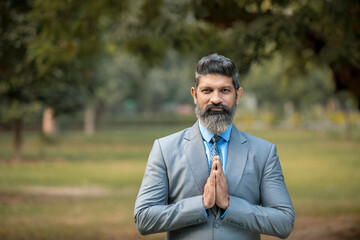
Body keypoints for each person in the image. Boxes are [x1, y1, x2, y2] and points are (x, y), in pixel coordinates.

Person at [134, 53, 295, 240]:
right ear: (194, 95)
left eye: (225, 90)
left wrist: (230, 205)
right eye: (207, 90)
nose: (216, 99)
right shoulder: (165, 149)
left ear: (238, 95)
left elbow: (284, 222)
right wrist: (201, 204)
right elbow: (144, 218)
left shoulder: (263, 152)